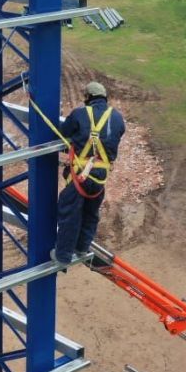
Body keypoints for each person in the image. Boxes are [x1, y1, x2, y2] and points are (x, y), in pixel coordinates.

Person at [54, 81, 126, 265]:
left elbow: (64, 131)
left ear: (88, 97)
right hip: (100, 176)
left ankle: (63, 256)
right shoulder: (117, 117)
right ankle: (82, 247)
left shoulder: (80, 113)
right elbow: (117, 135)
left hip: (81, 174)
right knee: (91, 213)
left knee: (70, 213)